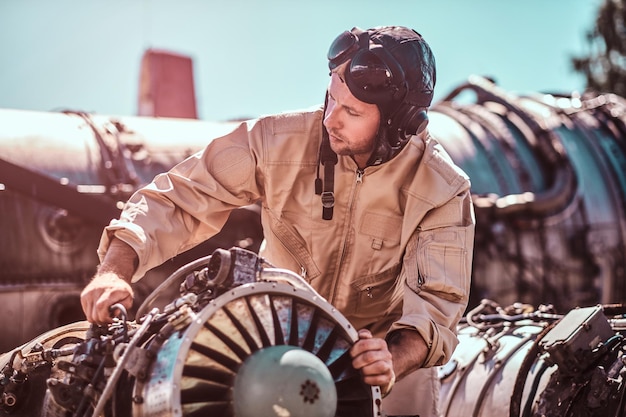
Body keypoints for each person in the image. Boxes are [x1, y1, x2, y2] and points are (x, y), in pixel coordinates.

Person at [81, 25, 475, 417]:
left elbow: (437, 305)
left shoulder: (443, 188)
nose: (331, 119)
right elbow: (180, 197)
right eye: (331, 99)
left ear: (398, 126)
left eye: (352, 112)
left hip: (382, 361)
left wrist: (393, 358)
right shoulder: (274, 139)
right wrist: (115, 270)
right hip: (274, 337)